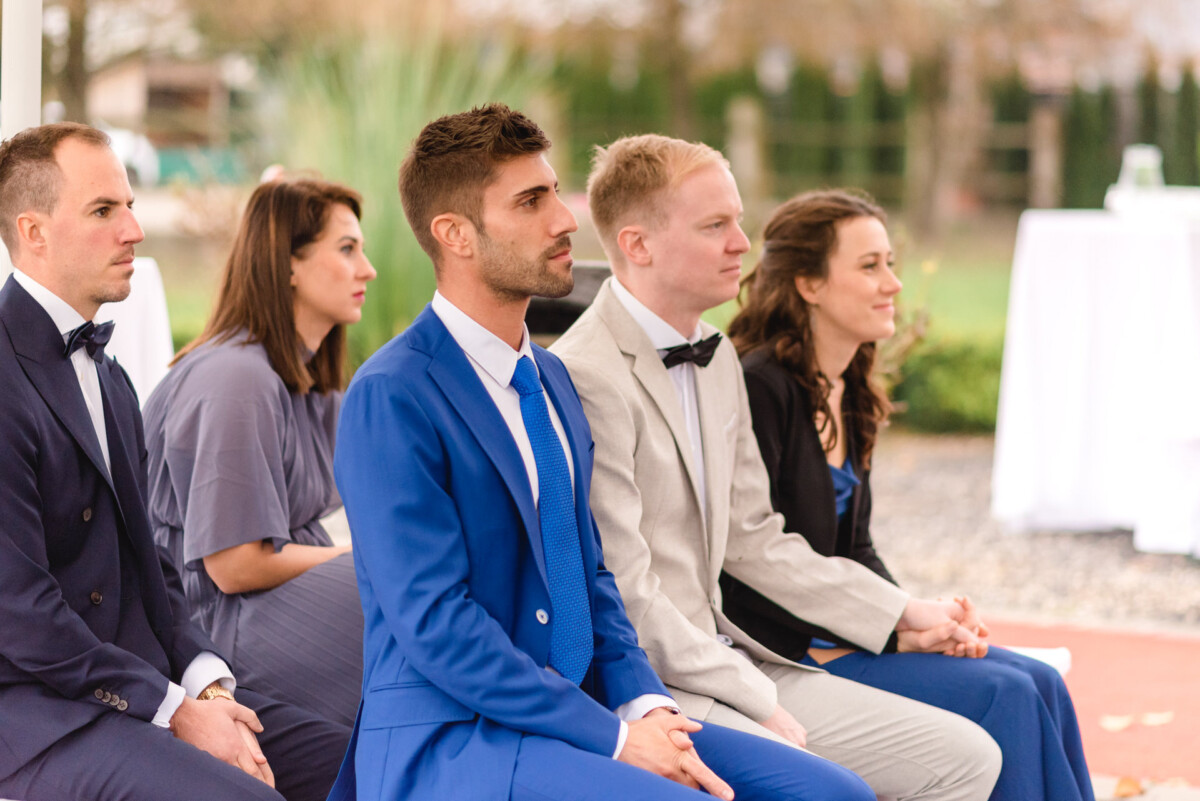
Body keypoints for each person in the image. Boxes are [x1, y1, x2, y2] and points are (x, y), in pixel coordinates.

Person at [329, 104, 875, 801]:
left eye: (555, 192)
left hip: (583, 708)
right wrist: (614, 737)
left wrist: (645, 703)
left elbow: (592, 575)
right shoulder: (393, 394)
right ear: (455, 234)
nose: (563, 219)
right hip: (459, 735)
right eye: (531, 201)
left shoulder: (550, 378)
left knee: (833, 793)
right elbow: (438, 625)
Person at [551, 133, 1003, 801]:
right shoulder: (586, 372)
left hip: (738, 657)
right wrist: (752, 694)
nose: (742, 242)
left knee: (969, 756)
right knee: (832, 788)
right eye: (716, 225)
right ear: (637, 245)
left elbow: (753, 538)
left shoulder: (713, 350)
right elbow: (627, 591)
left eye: (738, 220)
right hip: (655, 683)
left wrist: (901, 610)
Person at [0, 123, 349, 801]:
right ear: (33, 232)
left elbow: (153, 564)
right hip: (41, 720)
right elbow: (20, 611)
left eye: (129, 206)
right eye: (104, 211)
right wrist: (175, 709)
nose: (133, 229)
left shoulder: (112, 378)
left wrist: (206, 681)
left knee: (372, 766)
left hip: (143, 691)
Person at [723, 188, 1094, 801]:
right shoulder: (760, 387)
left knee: (1041, 681)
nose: (892, 283)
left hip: (846, 634)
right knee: (1008, 694)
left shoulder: (851, 388)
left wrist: (917, 624)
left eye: (890, 263)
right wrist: (891, 622)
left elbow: (857, 545)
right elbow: (752, 559)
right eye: (870, 266)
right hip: (790, 651)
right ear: (809, 284)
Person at [143, 178, 376, 727]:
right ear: (288, 264)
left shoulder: (305, 376)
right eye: (347, 249)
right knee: (397, 604)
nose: (366, 269)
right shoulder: (235, 379)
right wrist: (358, 559)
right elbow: (234, 565)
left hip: (265, 594)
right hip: (209, 621)